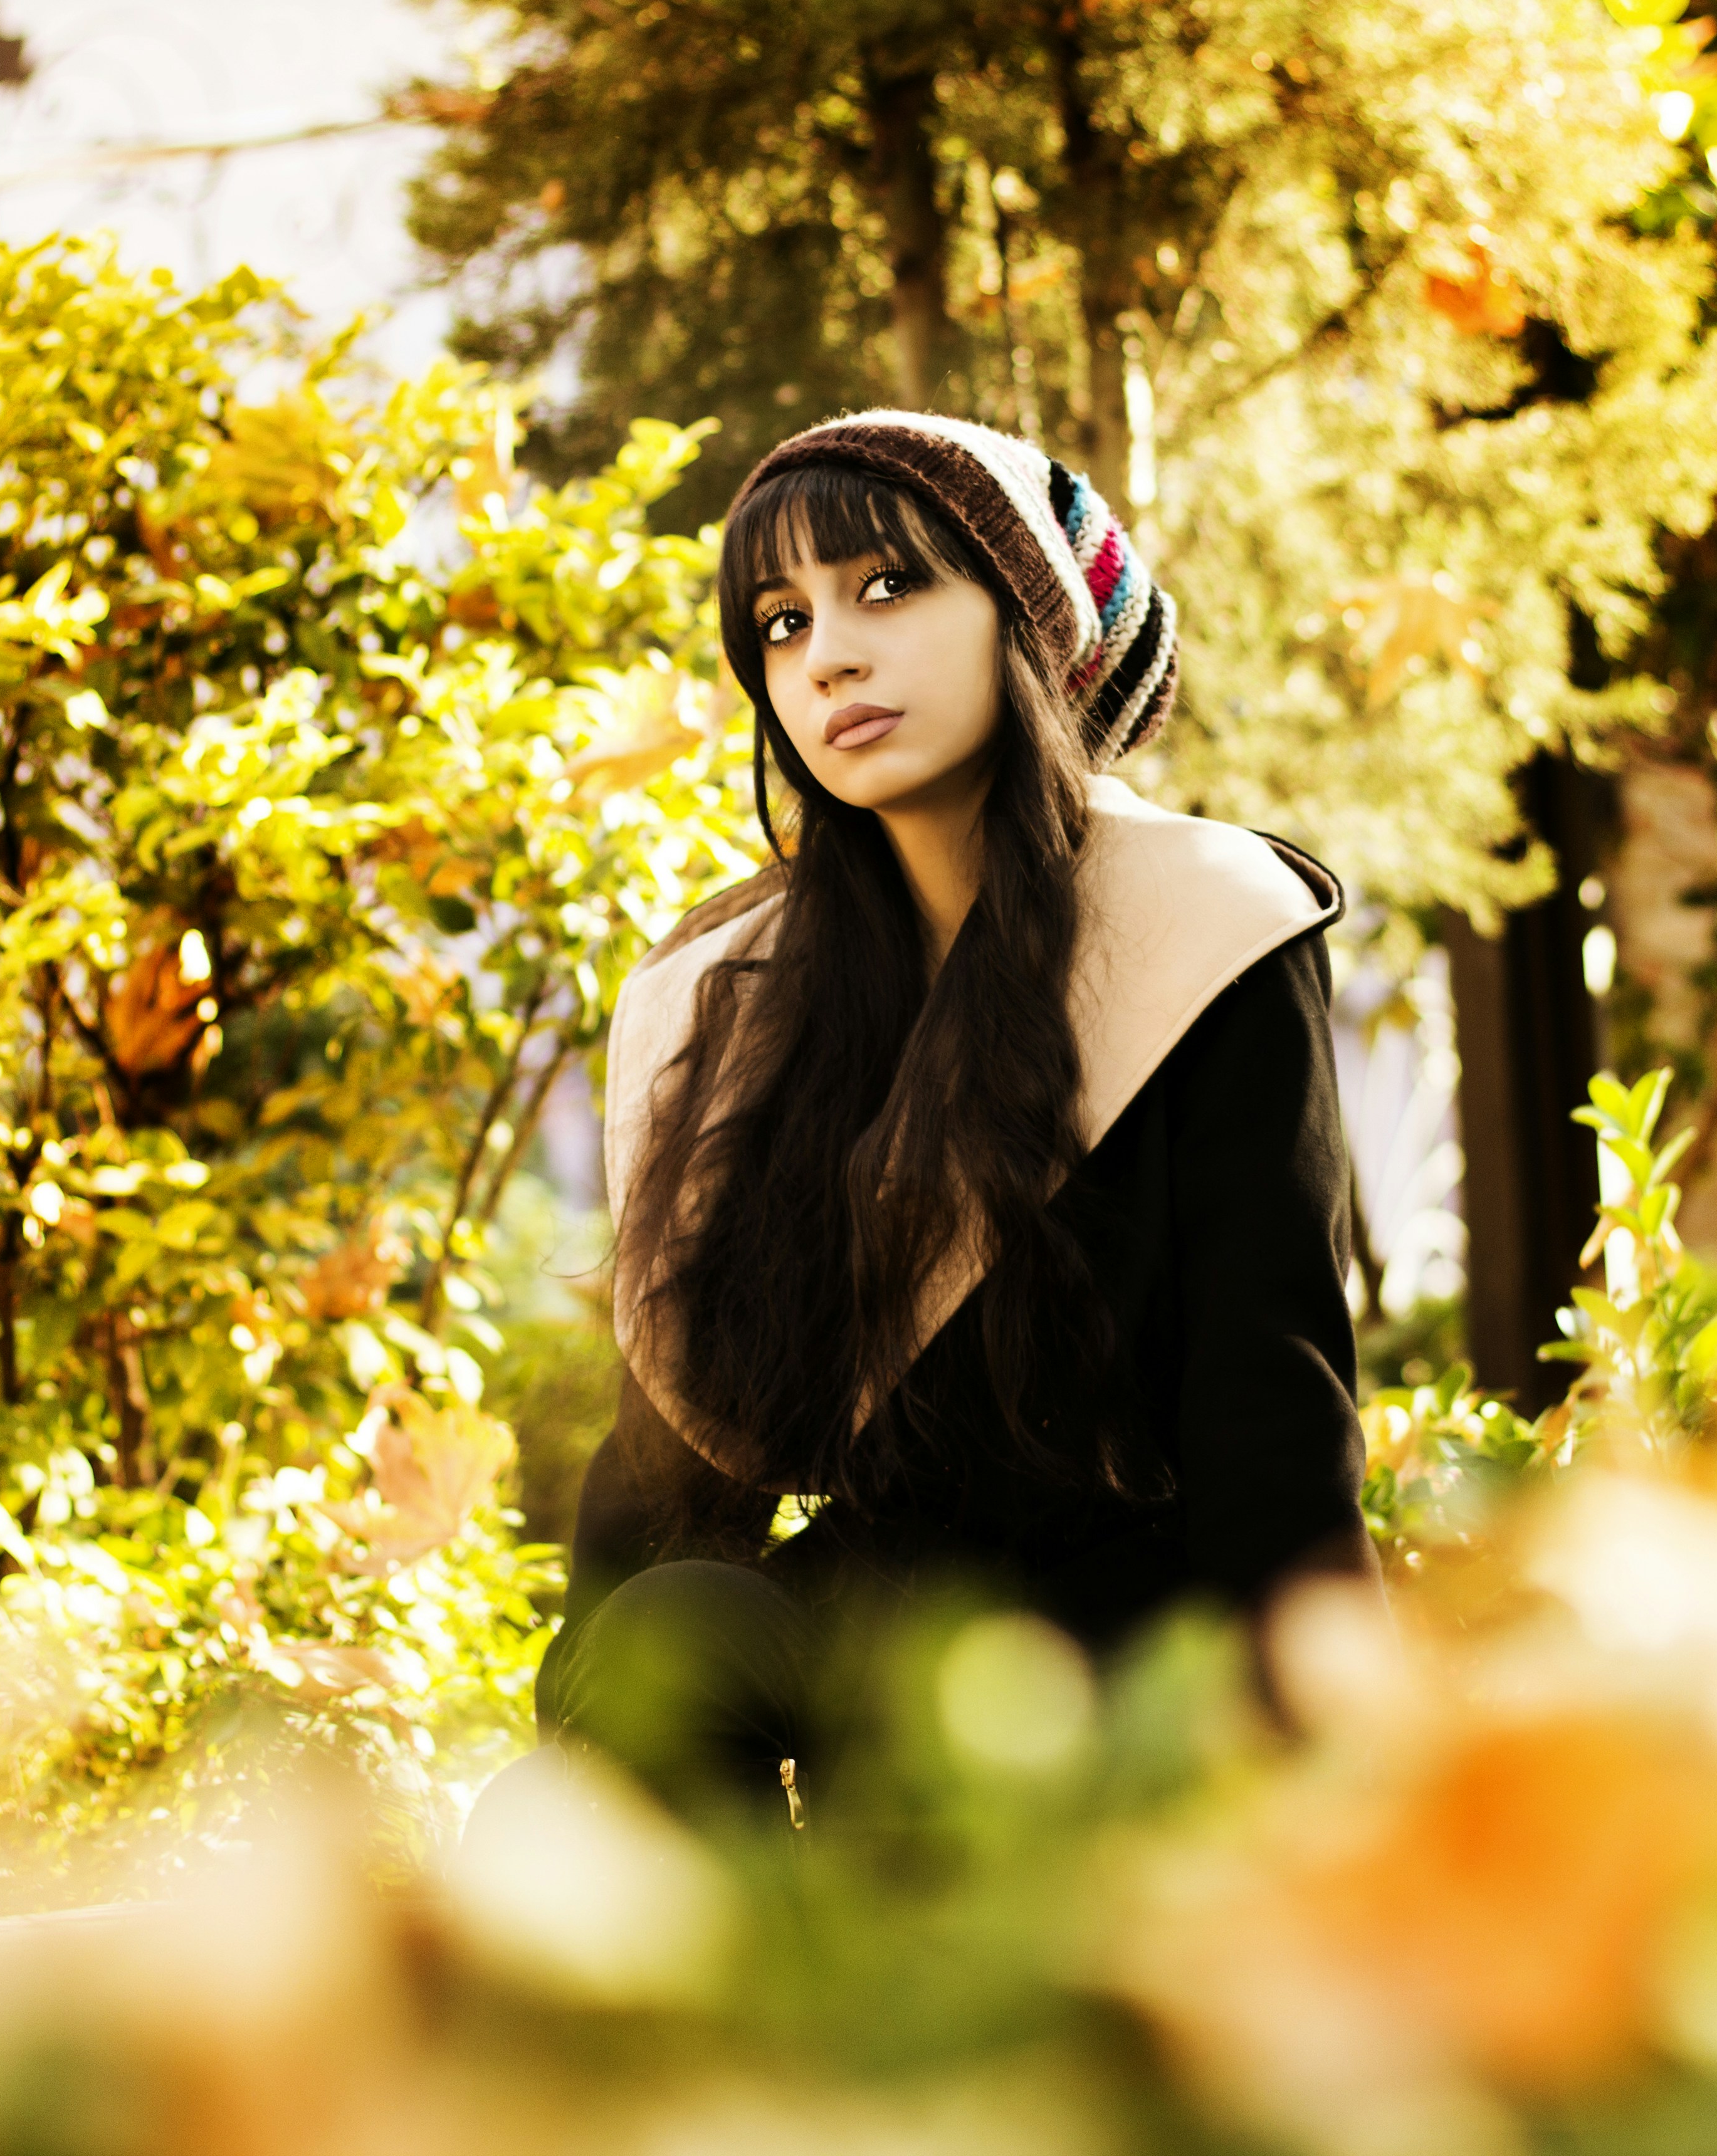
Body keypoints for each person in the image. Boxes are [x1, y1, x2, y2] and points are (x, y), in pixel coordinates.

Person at [533, 411, 1369, 1828]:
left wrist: (1333, 1773)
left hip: (1125, 1648)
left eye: (890, 587)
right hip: (877, 1623)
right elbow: (667, 1457)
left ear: (1026, 622)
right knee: (660, 1641)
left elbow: (1270, 1412)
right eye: (783, 623)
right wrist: (587, 1740)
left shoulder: (1203, 926)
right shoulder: (736, 997)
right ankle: (739, 2035)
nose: (831, 657)